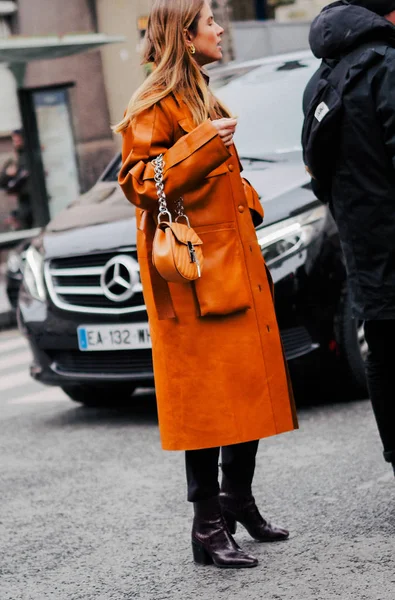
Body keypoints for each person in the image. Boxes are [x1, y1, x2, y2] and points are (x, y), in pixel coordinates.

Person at [115, 0, 298, 569]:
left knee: (244, 385)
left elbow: (215, 180)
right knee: (204, 399)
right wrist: (202, 146)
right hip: (191, 277)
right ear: (185, 37)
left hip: (229, 261)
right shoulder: (153, 102)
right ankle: (205, 524)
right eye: (211, 21)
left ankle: (236, 498)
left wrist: (248, 201)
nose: (220, 28)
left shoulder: (202, 94)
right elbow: (140, 182)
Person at [303, 0, 395, 475]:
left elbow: (317, 172)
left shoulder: (321, 80)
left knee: (382, 354)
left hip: (363, 248)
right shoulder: (388, 65)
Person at [0, 130, 32, 230]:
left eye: (18, 140)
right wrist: (8, 174)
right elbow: (2, 181)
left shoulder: (30, 155)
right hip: (24, 200)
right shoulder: (15, 158)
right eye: (14, 140)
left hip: (33, 200)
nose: (16, 143)